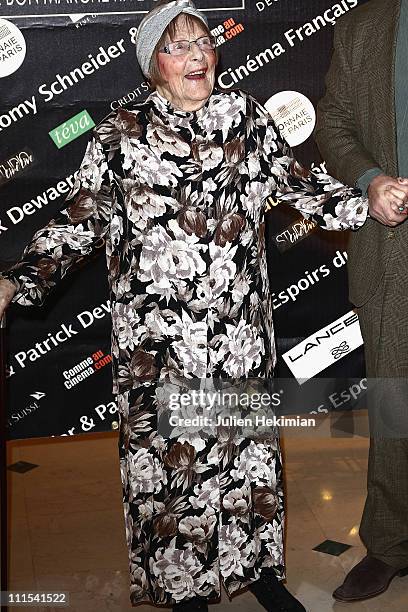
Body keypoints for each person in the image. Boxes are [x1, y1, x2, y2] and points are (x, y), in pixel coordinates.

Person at [0, 1, 371, 610]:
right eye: (180, 46)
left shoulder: (247, 120)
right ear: (154, 64)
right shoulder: (120, 134)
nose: (198, 55)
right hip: (158, 347)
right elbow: (82, 222)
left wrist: (370, 202)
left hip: (238, 337)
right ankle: (184, 588)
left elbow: (305, 188)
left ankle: (258, 573)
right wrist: (18, 278)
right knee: (172, 473)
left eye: (204, 42)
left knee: (246, 462)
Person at [315, 0, 408, 604]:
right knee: (396, 398)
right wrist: (370, 179)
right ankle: (391, 545)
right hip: (392, 246)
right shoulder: (365, 26)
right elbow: (333, 122)